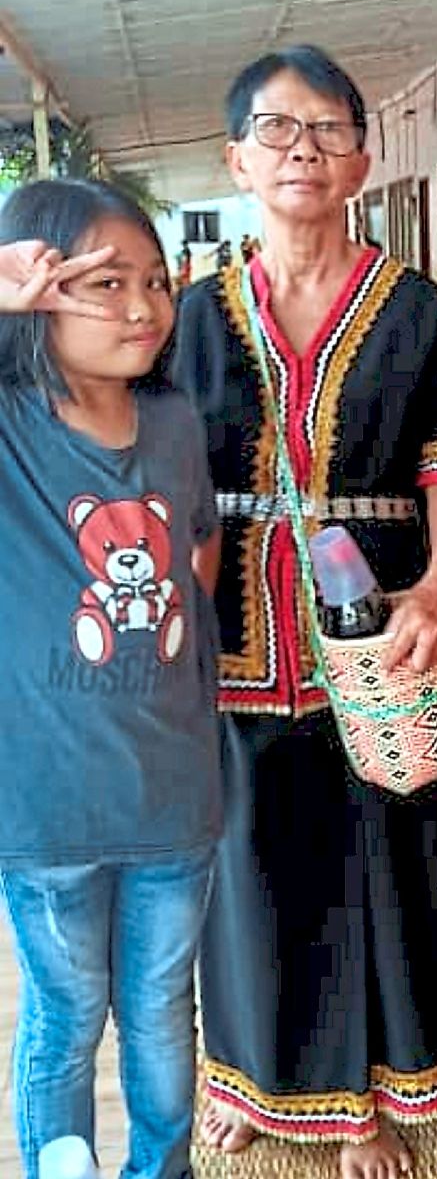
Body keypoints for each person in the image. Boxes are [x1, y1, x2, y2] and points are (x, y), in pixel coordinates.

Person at [170, 44, 437, 1179]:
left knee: (381, 862)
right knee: (247, 871)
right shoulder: (185, 317)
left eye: (326, 129)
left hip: (387, 628)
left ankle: (364, 1100)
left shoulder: (420, 311)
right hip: (231, 636)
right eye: (274, 128)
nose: (300, 148)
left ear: (364, 156)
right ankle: (247, 1079)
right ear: (235, 159)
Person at [0, 180, 222, 1179]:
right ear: (36, 290)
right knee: (67, 1010)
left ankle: (161, 1169)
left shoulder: (173, 421)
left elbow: (195, 560)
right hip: (43, 810)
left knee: (162, 1010)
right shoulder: (12, 428)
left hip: (175, 797)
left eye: (153, 282)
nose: (141, 306)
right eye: (104, 283)